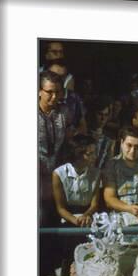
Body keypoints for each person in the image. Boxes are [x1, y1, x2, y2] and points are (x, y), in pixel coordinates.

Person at [51, 135, 101, 227]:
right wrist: (76, 221)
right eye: (90, 154)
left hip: (88, 216)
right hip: (67, 217)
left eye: (95, 152)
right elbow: (60, 208)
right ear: (78, 155)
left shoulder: (96, 173)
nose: (95, 156)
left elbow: (94, 204)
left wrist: (85, 216)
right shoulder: (59, 174)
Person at [38, 71, 67, 226]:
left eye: (57, 92)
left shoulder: (63, 113)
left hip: (56, 176)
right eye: (49, 92)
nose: (54, 97)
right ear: (39, 91)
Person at [46, 59, 87, 135]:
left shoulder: (75, 98)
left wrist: (73, 133)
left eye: (61, 77)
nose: (57, 80)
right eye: (53, 76)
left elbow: (83, 128)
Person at [86, 98, 116, 169]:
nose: (103, 118)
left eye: (106, 115)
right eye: (100, 114)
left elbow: (109, 164)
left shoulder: (109, 139)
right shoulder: (84, 134)